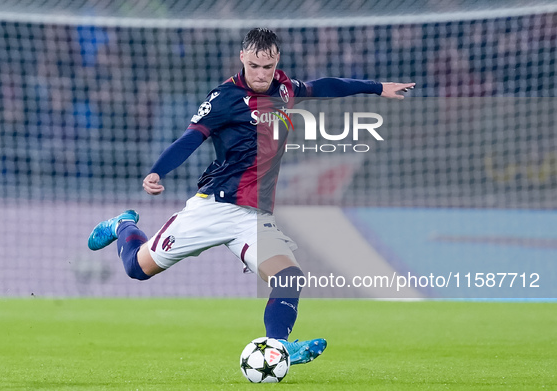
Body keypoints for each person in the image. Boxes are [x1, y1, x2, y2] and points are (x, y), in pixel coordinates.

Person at [88, 28, 415, 365]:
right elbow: (191, 138)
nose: (261, 74)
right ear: (242, 58)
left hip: (254, 217)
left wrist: (376, 88)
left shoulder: (286, 89)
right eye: (255, 66)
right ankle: (123, 225)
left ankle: (278, 347)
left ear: (277, 63)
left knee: (289, 277)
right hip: (214, 208)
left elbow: (327, 85)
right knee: (137, 269)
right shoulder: (225, 98)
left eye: (268, 67)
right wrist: (158, 171)